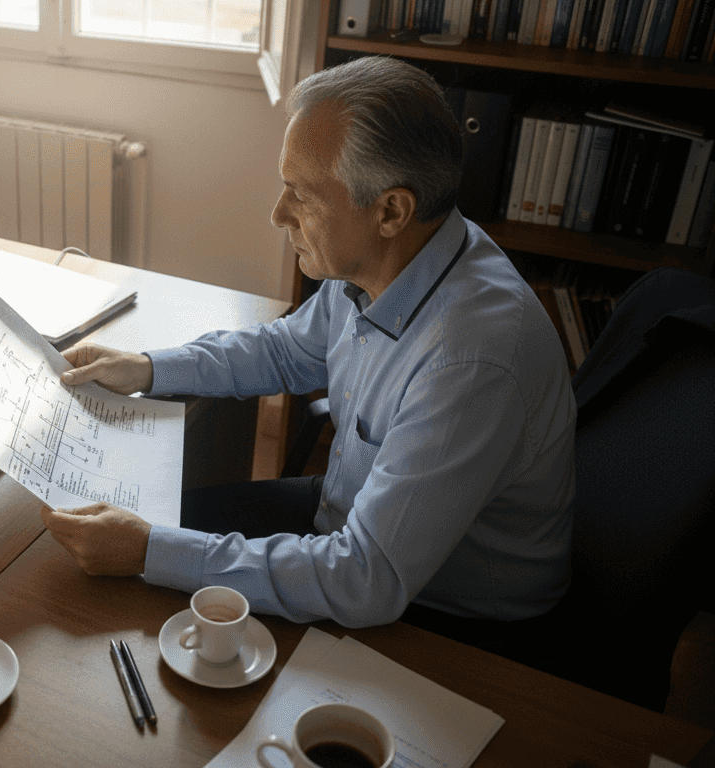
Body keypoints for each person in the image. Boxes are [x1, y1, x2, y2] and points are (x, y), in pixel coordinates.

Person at [40, 56, 576, 634]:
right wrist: (146, 368)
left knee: (127, 595)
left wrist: (149, 553)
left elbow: (365, 580)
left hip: (445, 613)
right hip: (349, 520)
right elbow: (287, 350)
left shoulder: (470, 361)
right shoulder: (389, 261)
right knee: (130, 542)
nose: (277, 214)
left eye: (301, 193)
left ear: (391, 210)